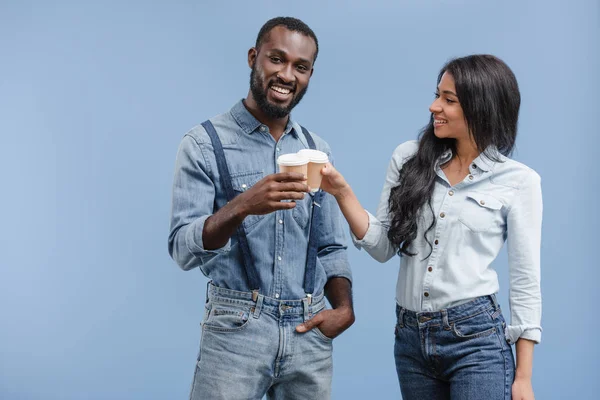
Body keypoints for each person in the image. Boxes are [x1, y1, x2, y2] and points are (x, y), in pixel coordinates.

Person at [319, 54, 542, 400]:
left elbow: (525, 281)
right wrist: (342, 192)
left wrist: (523, 377)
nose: (433, 106)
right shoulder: (409, 158)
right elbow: (381, 247)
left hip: (476, 340)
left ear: (481, 107)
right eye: (438, 94)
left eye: (448, 99)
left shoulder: (519, 181)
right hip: (410, 340)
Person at [167, 17, 354, 400]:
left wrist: (343, 309)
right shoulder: (204, 144)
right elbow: (182, 248)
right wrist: (242, 206)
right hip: (237, 329)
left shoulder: (318, 151)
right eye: (277, 60)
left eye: (300, 67)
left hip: (309, 330)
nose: (287, 75)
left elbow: (332, 246)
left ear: (309, 75)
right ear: (254, 58)